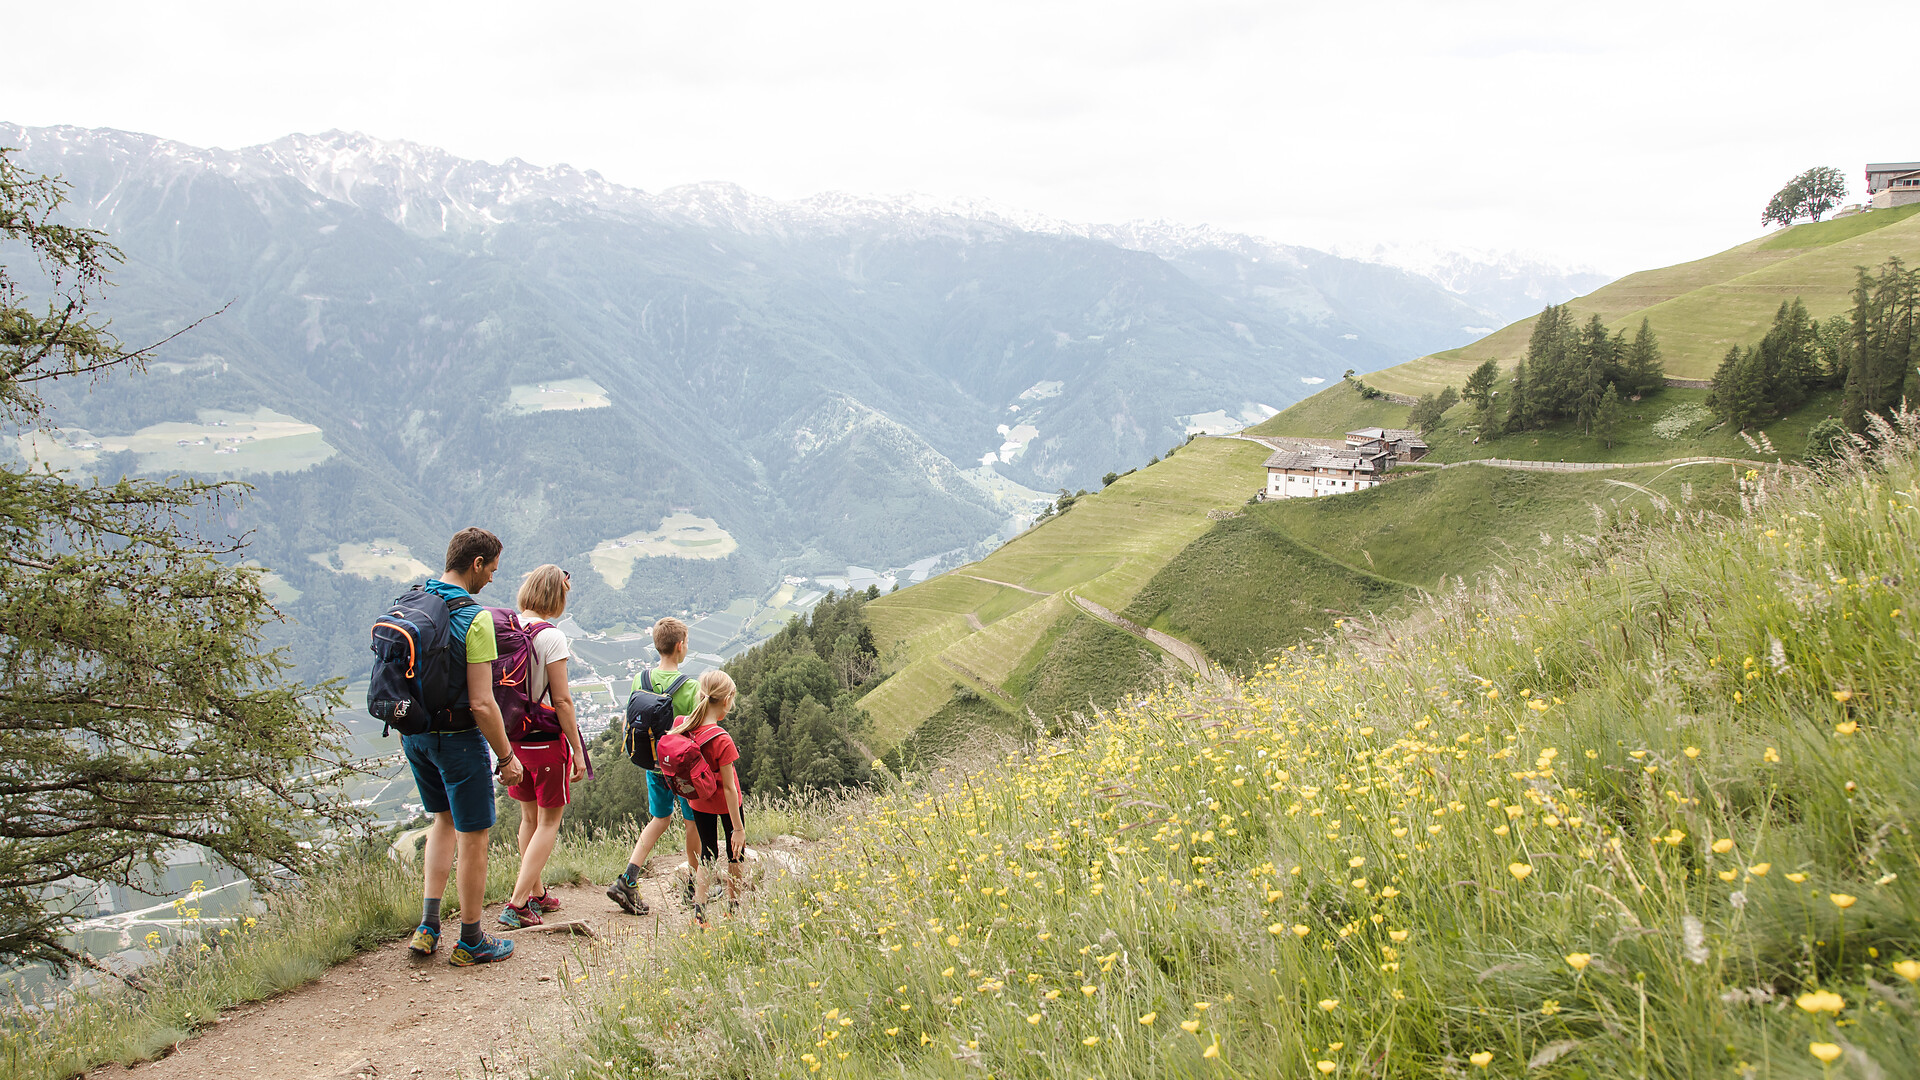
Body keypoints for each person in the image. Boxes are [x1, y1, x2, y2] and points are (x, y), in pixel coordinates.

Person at [405, 527, 522, 966]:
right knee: (474, 836)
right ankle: (471, 939)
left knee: (443, 821)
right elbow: (482, 703)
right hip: (457, 739)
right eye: (491, 569)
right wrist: (507, 758)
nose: (492, 578)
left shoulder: (415, 599)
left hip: (415, 735)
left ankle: (428, 926)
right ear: (476, 564)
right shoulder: (475, 619)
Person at [498, 564, 587, 930]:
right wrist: (577, 749)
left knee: (528, 819)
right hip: (546, 741)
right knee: (549, 822)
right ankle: (517, 903)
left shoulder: (507, 628)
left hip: (513, 739)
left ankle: (535, 893)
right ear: (557, 596)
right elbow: (562, 701)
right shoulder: (552, 637)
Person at [605, 618, 702, 916]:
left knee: (659, 820)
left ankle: (628, 879)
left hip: (653, 764)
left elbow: (631, 719)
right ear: (680, 646)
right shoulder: (690, 687)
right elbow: (696, 731)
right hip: (682, 771)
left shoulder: (640, 679)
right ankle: (693, 885)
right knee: (692, 823)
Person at [677, 669, 746, 926]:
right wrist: (737, 828)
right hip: (728, 806)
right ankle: (733, 908)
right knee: (735, 854)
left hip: (698, 801)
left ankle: (699, 913)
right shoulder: (722, 739)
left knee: (707, 854)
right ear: (727, 700)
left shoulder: (687, 728)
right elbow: (729, 788)